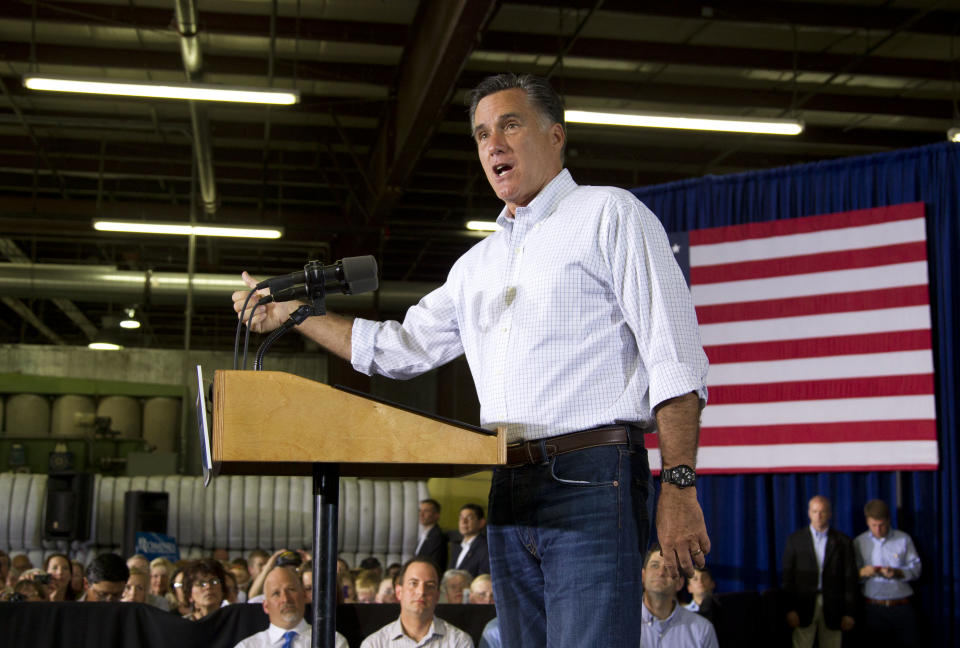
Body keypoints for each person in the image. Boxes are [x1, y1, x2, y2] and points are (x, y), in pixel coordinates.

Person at [233, 72, 709, 648]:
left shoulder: (610, 215)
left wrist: (679, 486)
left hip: (592, 481)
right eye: (482, 134)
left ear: (556, 136)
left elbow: (674, 356)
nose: (493, 145)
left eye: (510, 125)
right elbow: (397, 348)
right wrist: (295, 314)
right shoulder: (475, 265)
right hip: (506, 486)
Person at [782, 495, 857, 648]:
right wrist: (790, 609)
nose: (818, 516)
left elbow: (849, 578)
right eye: (815, 511)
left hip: (834, 606)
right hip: (803, 605)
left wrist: (850, 612)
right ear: (809, 513)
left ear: (829, 514)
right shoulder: (795, 540)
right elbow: (788, 577)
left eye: (822, 512)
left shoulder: (843, 541)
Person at [853, 499, 921, 648]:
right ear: (867, 522)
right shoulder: (859, 542)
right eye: (874, 525)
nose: (878, 530)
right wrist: (862, 573)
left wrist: (897, 572)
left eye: (882, 525)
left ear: (889, 521)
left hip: (901, 607)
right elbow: (850, 576)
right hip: (872, 610)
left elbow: (916, 570)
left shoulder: (903, 539)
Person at [360, 558, 473, 648]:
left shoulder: (459, 642)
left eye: (430, 585)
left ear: (437, 596)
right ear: (399, 592)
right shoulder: (374, 644)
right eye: (413, 583)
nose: (421, 591)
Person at [234, 565, 347, 648]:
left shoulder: (332, 642)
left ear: (304, 596)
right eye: (276, 594)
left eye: (291, 590)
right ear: (266, 606)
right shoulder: (247, 646)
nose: (285, 599)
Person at [641, 545, 718, 648]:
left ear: (680, 583)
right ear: (643, 576)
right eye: (655, 566)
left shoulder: (702, 630)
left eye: (669, 568)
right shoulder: (621, 623)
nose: (660, 573)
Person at [450, 504, 489, 577]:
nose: (464, 521)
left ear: (481, 523)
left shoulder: (485, 547)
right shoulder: (456, 546)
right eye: (461, 518)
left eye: (469, 517)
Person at [415, 499, 448, 571]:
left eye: (426, 511)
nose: (421, 514)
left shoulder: (437, 537)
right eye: (420, 510)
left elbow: (434, 564)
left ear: (436, 515)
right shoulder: (424, 534)